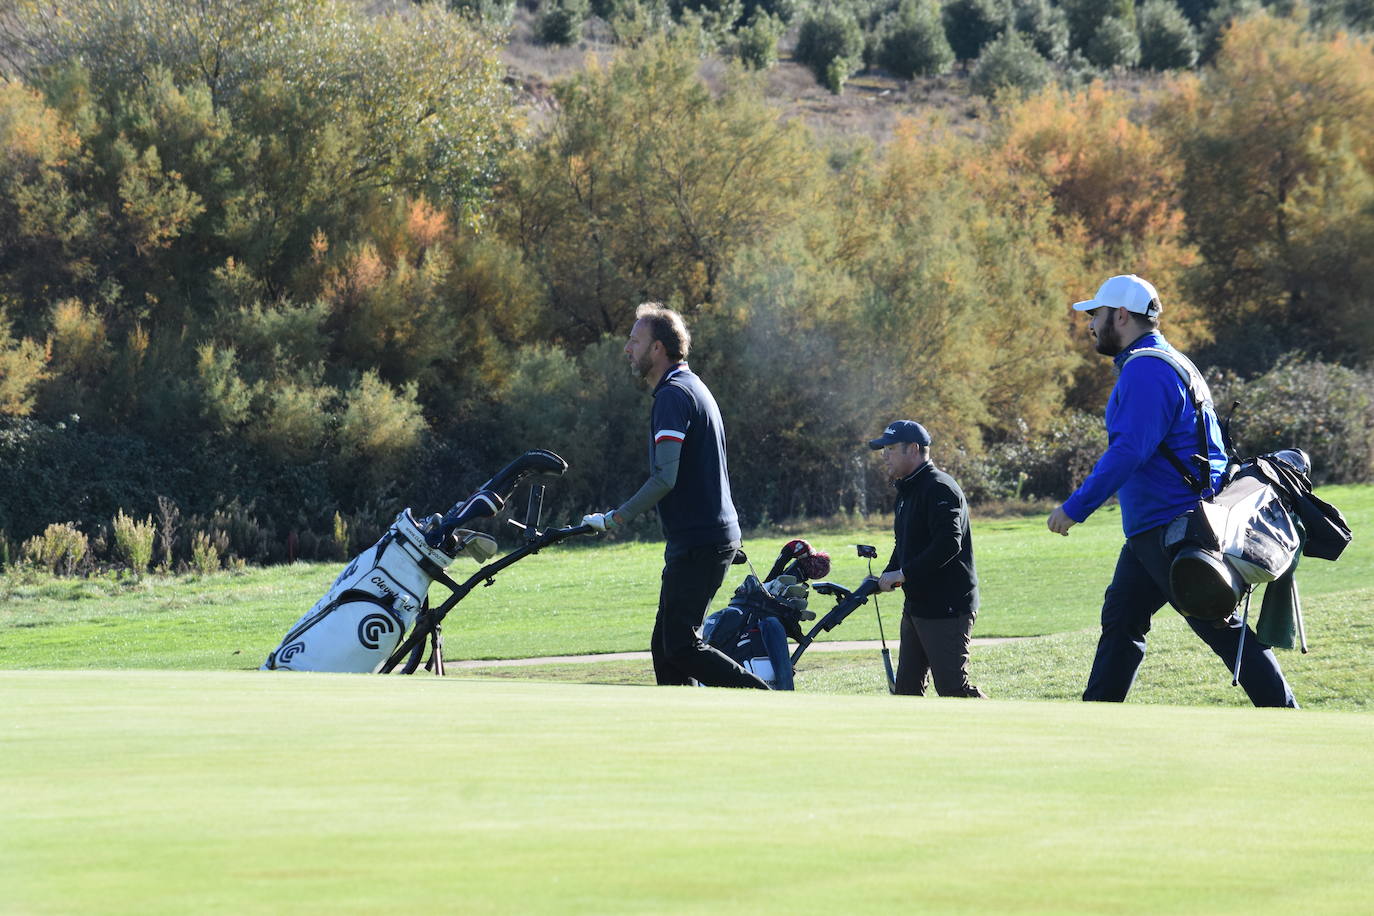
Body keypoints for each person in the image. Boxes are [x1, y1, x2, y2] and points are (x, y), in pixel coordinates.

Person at [1047, 274, 1297, 707]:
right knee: (1123, 618)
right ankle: (1097, 716)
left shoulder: (1145, 369)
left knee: (1216, 622)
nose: (1090, 325)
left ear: (1120, 315)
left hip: (1171, 525)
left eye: (1096, 315)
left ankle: (1285, 712)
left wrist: (1076, 507)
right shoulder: (1168, 360)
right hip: (1169, 524)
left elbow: (1129, 451)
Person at [582, 303, 769, 689]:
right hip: (701, 537)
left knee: (680, 646)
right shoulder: (689, 386)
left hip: (701, 539)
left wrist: (615, 518)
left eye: (635, 340)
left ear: (657, 348)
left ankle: (764, 699)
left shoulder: (673, 395)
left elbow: (665, 478)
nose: (627, 348)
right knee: (665, 647)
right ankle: (684, 730)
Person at [868, 420, 987, 698]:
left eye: (890, 448)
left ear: (913, 449)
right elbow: (906, 544)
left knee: (954, 691)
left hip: (946, 607)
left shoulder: (939, 487)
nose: (884, 455)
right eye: (882, 449)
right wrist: (886, 575)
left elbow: (948, 544)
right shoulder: (906, 491)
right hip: (917, 606)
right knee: (907, 693)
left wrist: (904, 574)